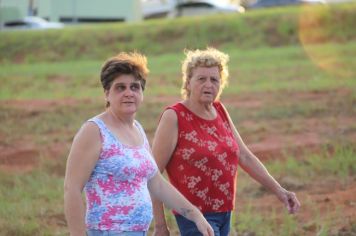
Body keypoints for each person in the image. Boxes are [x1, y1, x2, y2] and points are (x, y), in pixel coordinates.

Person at [151, 47, 301, 236]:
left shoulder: (219, 110)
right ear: (188, 83)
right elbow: (152, 173)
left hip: (225, 213)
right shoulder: (174, 116)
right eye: (201, 79)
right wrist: (160, 225)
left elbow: (244, 156)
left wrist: (280, 191)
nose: (208, 84)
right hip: (194, 216)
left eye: (214, 79)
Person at [63, 52, 214, 236]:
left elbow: (156, 183)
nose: (128, 93)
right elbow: (72, 188)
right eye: (120, 88)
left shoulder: (138, 129)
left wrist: (194, 214)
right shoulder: (94, 131)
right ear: (107, 94)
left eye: (135, 87)